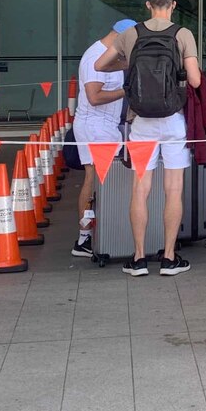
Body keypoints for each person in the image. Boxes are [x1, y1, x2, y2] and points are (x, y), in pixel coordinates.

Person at [95, 0, 202, 277]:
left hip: (141, 121)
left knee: (140, 189)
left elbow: (100, 65)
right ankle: (168, 258)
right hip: (172, 120)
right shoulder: (183, 34)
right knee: (174, 189)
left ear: (147, 5)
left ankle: (139, 258)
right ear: (173, 5)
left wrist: (130, 62)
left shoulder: (131, 34)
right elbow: (194, 81)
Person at [70, 18, 134, 258]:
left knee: (102, 179)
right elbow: (94, 97)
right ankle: (84, 237)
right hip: (93, 126)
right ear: (121, 37)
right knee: (94, 177)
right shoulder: (93, 57)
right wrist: (126, 91)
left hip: (106, 127)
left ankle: (99, 232)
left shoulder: (111, 57)